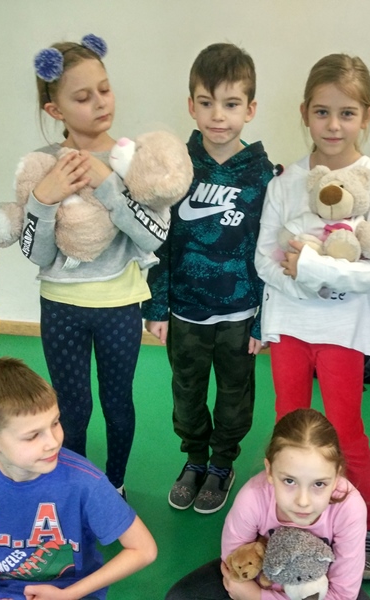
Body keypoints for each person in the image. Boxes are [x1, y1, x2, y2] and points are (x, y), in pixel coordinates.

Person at [254, 53, 370, 580]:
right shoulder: (285, 183)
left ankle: (365, 523)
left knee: (344, 431)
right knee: (288, 426)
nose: (333, 125)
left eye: (346, 113)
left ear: (367, 115)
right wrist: (301, 279)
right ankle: (286, 521)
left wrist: (312, 268)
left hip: (344, 331)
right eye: (322, 112)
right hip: (291, 327)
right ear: (305, 113)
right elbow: (264, 260)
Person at [20, 35, 170, 496]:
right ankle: (74, 488)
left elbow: (155, 236)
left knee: (117, 403)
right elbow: (35, 253)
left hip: (119, 304)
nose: (100, 103)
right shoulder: (42, 164)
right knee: (71, 409)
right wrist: (43, 200)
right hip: (61, 305)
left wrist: (109, 185)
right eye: (82, 97)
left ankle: (115, 485)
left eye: (104, 89)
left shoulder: (132, 160)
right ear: (55, 109)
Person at [142, 42, 276, 515]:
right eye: (207, 102)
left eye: (231, 104)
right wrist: (156, 306)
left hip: (240, 313)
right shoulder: (175, 167)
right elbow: (160, 241)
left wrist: (263, 319)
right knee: (187, 394)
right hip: (185, 311)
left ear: (250, 109)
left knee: (235, 397)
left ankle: (221, 465)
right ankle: (195, 460)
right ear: (191, 105)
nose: (218, 116)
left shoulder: (263, 175)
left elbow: (268, 250)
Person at [0, 357, 157, 600]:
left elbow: (143, 549)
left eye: (55, 423)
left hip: (70, 592)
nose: (53, 442)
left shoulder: (85, 482)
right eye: (33, 436)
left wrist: (70, 594)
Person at [165, 408, 369, 600]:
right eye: (289, 481)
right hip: (263, 580)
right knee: (179, 596)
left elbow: (343, 595)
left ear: (337, 475)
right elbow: (234, 568)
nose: (303, 501)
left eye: (319, 484)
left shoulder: (349, 508)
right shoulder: (253, 498)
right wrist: (253, 590)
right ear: (270, 471)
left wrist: (258, 597)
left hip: (315, 590)